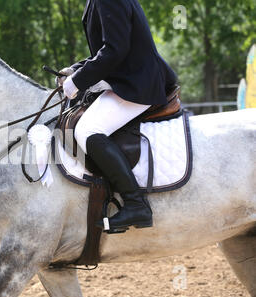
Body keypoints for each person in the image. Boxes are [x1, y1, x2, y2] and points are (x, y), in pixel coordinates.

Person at [58, 0, 178, 234]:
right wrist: (77, 69)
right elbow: (108, 47)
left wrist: (79, 81)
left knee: (87, 130)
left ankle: (135, 204)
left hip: (137, 82)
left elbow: (116, 49)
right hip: (130, 76)